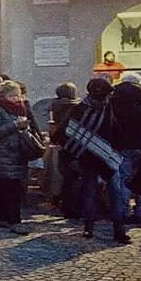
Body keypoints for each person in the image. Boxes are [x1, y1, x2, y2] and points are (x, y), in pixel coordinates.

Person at [52, 78, 126, 243]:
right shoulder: (104, 107)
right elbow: (115, 130)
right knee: (113, 194)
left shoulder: (81, 108)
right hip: (103, 156)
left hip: (91, 157)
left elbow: (62, 133)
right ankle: (116, 231)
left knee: (92, 193)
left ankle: (92, 229)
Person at [0, 80, 32, 235]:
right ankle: (14, 221)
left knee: (7, 187)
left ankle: (3, 218)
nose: (17, 98)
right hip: (2, 154)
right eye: (13, 95)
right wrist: (14, 125)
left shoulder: (21, 109)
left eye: (18, 95)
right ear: (3, 95)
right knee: (12, 187)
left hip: (17, 153)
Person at [109, 71, 141, 224]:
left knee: (124, 179)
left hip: (121, 145)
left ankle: (124, 211)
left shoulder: (113, 100)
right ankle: (140, 211)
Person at [48, 82, 83, 218]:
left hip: (62, 142)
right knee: (75, 176)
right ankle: (72, 206)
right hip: (74, 142)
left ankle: (65, 203)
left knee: (66, 176)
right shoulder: (74, 107)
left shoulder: (55, 106)